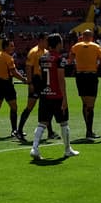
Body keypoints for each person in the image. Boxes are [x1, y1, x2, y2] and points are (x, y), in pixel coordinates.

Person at [31, 33, 77, 161]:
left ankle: (34, 148)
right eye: (61, 42)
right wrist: (65, 98)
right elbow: (61, 79)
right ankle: (67, 150)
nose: (62, 44)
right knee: (64, 123)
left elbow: (41, 76)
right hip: (56, 95)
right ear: (57, 44)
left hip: (45, 95)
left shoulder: (43, 58)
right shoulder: (59, 59)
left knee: (42, 123)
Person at [70, 28, 101, 140]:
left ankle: (88, 129)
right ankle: (89, 131)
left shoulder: (76, 46)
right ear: (92, 37)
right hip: (91, 76)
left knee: (84, 103)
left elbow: (69, 61)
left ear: (82, 36)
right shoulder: (96, 47)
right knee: (90, 106)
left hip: (80, 76)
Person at [15, 34, 46, 142]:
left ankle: (50, 132)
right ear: (41, 40)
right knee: (30, 107)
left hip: (43, 82)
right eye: (46, 40)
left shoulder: (46, 52)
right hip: (35, 81)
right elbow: (28, 68)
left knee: (45, 106)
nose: (47, 43)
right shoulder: (33, 52)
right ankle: (19, 130)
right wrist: (30, 83)